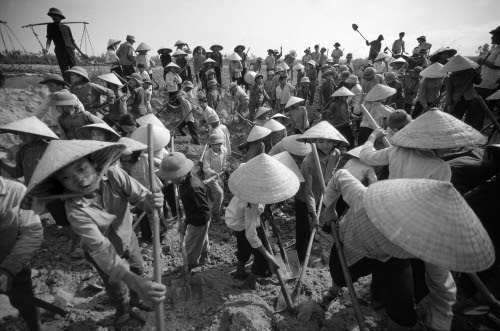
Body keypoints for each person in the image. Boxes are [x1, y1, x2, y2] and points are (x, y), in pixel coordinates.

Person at [320, 169, 492, 330]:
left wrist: (441, 320)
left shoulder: (426, 240)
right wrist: (329, 208)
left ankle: (386, 309)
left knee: (403, 308)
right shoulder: (364, 197)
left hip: (391, 258)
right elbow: (340, 175)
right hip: (352, 244)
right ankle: (334, 290)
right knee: (340, 275)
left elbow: (441, 282)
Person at [22, 140, 167, 327]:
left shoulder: (114, 175)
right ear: (60, 184)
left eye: (82, 169)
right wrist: (134, 281)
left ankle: (136, 300)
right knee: (116, 285)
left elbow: (141, 197)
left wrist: (154, 202)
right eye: (66, 178)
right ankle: (122, 312)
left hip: (127, 236)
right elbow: (101, 248)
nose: (79, 179)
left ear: (93, 164)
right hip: (100, 252)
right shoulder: (75, 210)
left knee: (138, 268)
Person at [294, 122, 344, 262]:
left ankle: (311, 236)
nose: (325, 145)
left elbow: (332, 171)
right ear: (314, 141)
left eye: (329, 141)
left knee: (312, 224)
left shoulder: (336, 153)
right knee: (303, 228)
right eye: (320, 141)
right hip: (304, 197)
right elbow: (307, 191)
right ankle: (301, 257)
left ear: (335, 142)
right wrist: (314, 213)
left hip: (320, 194)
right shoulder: (308, 162)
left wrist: (327, 186)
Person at [0, 176, 43, 331]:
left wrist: (8, 270)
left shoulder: (17, 192)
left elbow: (32, 233)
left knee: (24, 302)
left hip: (14, 263)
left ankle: (35, 326)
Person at [157, 152, 211, 269]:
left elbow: (204, 213)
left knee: (190, 246)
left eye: (174, 177)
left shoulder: (193, 188)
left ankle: (189, 266)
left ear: (182, 173)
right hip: (196, 215)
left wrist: (186, 222)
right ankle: (204, 257)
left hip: (199, 220)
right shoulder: (184, 180)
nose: (171, 180)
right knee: (202, 238)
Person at [43, 8, 87, 79]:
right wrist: (46, 49)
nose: (53, 17)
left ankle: (76, 84)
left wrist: (82, 53)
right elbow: (49, 39)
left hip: (70, 50)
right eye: (52, 16)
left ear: (60, 17)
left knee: (74, 68)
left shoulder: (66, 27)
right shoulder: (50, 27)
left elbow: (72, 41)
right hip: (59, 50)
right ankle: (67, 85)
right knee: (64, 69)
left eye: (55, 15)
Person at [444, 55, 483, 130]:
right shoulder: (451, 77)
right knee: (452, 117)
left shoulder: (471, 72)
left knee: (463, 118)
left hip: (468, 98)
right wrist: (449, 104)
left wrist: (478, 73)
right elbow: (449, 91)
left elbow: (478, 82)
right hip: (456, 99)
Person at [203, 133, 227, 221]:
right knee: (220, 194)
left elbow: (224, 161)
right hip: (211, 177)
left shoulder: (224, 150)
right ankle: (215, 214)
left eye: (219, 143)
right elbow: (206, 168)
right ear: (211, 144)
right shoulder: (208, 153)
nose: (218, 146)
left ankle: (220, 210)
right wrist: (213, 173)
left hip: (220, 176)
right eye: (215, 144)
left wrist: (224, 166)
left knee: (222, 194)